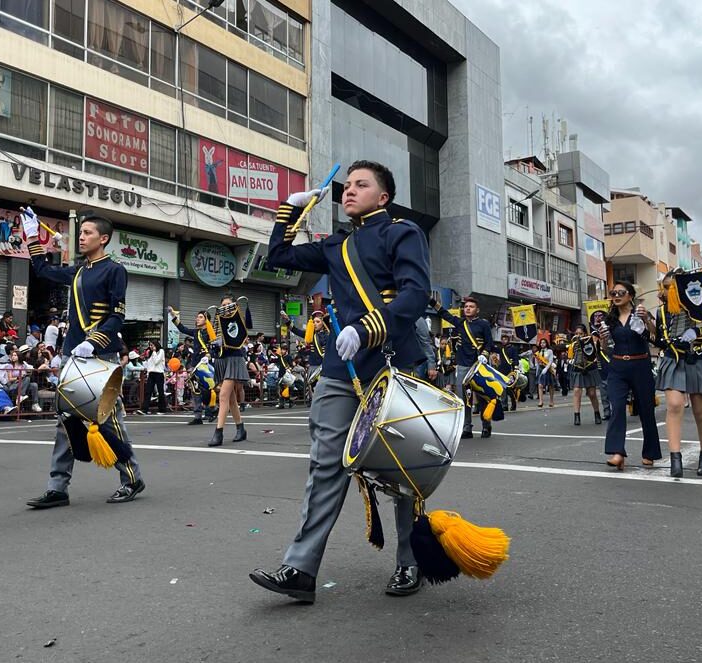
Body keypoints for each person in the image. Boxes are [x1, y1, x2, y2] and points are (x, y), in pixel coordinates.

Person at [251, 160, 430, 602]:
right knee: (325, 464)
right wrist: (288, 212)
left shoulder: (402, 233)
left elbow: (414, 293)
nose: (348, 191)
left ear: (383, 197)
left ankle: (410, 561)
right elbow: (279, 257)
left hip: (392, 363)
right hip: (340, 369)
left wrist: (366, 328)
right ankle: (300, 569)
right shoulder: (336, 245)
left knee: (401, 470)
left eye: (360, 185)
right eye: (346, 185)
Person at [20, 208, 145, 509]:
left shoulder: (114, 270)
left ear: (103, 239)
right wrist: (33, 236)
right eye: (81, 232)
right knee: (65, 420)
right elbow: (41, 269)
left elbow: (118, 315)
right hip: (72, 355)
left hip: (100, 353)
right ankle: (58, 488)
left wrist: (94, 341)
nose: (82, 237)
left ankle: (131, 478)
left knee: (109, 420)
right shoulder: (78, 271)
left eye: (87, 232)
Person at [655, 272, 702, 477]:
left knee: (700, 412)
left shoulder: (700, 305)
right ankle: (675, 459)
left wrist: (695, 334)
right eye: (665, 286)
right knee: (674, 405)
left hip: (698, 359)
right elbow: (660, 340)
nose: (667, 290)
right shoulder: (661, 312)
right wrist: (645, 327)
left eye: (671, 286)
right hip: (673, 360)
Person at [599, 281, 661, 470]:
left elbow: (655, 337)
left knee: (646, 409)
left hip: (640, 364)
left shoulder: (641, 314)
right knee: (617, 407)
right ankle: (617, 453)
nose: (616, 295)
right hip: (617, 365)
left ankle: (649, 452)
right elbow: (606, 348)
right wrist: (602, 340)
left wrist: (647, 321)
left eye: (621, 292)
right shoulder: (609, 319)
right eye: (613, 293)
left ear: (630, 295)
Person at [432, 297, 494, 438]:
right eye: (466, 306)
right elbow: (444, 314)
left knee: (482, 397)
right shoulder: (460, 323)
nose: (467, 308)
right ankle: (467, 428)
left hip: (479, 366)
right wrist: (431, 301)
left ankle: (486, 425)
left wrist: (484, 353)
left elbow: (489, 343)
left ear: (477, 310)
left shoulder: (483, 324)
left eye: (471, 306)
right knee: (464, 399)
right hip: (462, 366)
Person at [207, 295, 250, 447]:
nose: (225, 307)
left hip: (234, 359)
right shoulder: (217, 322)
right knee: (231, 399)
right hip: (221, 359)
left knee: (223, 395)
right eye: (223, 305)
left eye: (228, 305)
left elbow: (243, 336)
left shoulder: (238, 320)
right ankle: (241, 428)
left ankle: (218, 432)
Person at [170, 307, 213, 425]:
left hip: (207, 364)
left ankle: (211, 409)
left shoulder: (211, 332)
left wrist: (210, 355)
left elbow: (217, 347)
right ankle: (198, 416)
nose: (197, 319)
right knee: (195, 389)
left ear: (207, 320)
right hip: (195, 364)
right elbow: (182, 328)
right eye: (197, 317)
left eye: (200, 317)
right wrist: (174, 316)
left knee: (208, 388)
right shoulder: (196, 332)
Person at [568, 325, 603, 425]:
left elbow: (595, 353)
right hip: (577, 368)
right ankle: (577, 415)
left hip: (589, 367)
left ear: (585, 334)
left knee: (592, 393)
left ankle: (597, 413)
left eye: (581, 333)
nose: (578, 336)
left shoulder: (590, 342)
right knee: (576, 391)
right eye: (576, 334)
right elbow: (570, 355)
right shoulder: (573, 344)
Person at [140, 340, 167, 415]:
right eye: (150, 345)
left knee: (160, 391)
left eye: (152, 345)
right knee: (148, 391)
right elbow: (149, 364)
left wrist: (154, 352)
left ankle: (162, 409)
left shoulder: (161, 351)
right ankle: (144, 409)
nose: (151, 347)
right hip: (151, 373)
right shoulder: (151, 353)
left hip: (159, 373)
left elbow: (156, 361)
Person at [533, 338, 556, 408]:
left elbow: (550, 361)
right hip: (540, 369)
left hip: (548, 369)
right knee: (540, 385)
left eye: (544, 343)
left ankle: (551, 401)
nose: (542, 344)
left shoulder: (549, 351)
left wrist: (546, 368)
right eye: (541, 343)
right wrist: (537, 371)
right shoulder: (538, 352)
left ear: (546, 344)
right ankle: (541, 401)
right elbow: (537, 362)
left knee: (550, 385)